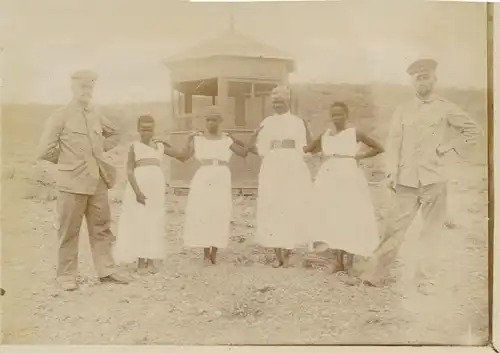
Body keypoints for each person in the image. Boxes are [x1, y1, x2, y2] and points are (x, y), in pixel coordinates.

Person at [342, 59, 482, 295]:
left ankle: (426, 280)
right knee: (394, 228)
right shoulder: (403, 110)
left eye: (426, 76)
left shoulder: (445, 108)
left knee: (431, 231)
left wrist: (449, 147)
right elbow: (394, 143)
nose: (422, 81)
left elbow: (474, 131)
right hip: (406, 180)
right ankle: (375, 275)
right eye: (417, 78)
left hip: (434, 179)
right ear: (412, 82)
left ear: (434, 79)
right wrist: (391, 173)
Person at [36, 70, 129, 291]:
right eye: (83, 86)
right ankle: (66, 275)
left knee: (102, 227)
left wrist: (98, 152)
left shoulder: (96, 113)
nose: (87, 91)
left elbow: (115, 134)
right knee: (69, 230)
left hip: (97, 181)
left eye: (90, 87)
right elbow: (44, 150)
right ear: (73, 87)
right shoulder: (60, 116)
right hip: (71, 183)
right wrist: (69, 161)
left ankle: (106, 270)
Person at [304, 102, 384, 273]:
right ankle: (338, 260)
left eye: (340, 114)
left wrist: (359, 156)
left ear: (346, 115)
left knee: (350, 215)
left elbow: (379, 148)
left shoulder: (354, 133)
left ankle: (349, 260)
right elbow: (308, 149)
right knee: (334, 216)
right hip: (328, 177)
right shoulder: (325, 134)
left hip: (349, 176)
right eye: (333, 115)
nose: (336, 118)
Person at [248, 85, 313, 268]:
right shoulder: (267, 122)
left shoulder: (298, 122)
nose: (277, 104)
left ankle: (289, 250)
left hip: (292, 165)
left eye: (280, 100)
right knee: (272, 205)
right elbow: (261, 149)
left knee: (291, 204)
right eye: (274, 101)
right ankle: (277, 254)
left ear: (288, 101)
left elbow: (305, 147)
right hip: (272, 165)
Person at [173, 106, 248, 265]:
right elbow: (184, 157)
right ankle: (206, 254)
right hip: (204, 176)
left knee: (219, 212)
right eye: (208, 120)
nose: (210, 123)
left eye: (214, 120)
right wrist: (188, 139)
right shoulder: (198, 138)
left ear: (220, 122)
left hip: (221, 176)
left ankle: (215, 251)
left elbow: (243, 152)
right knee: (204, 213)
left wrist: (234, 138)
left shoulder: (226, 139)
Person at [113, 115, 182, 275]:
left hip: (156, 190)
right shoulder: (134, 146)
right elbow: (129, 170)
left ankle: (151, 259)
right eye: (143, 129)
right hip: (139, 190)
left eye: (149, 129)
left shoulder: (159, 146)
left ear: (154, 130)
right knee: (139, 220)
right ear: (138, 130)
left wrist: (190, 139)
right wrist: (137, 191)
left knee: (153, 220)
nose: (146, 132)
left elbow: (181, 155)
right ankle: (140, 261)